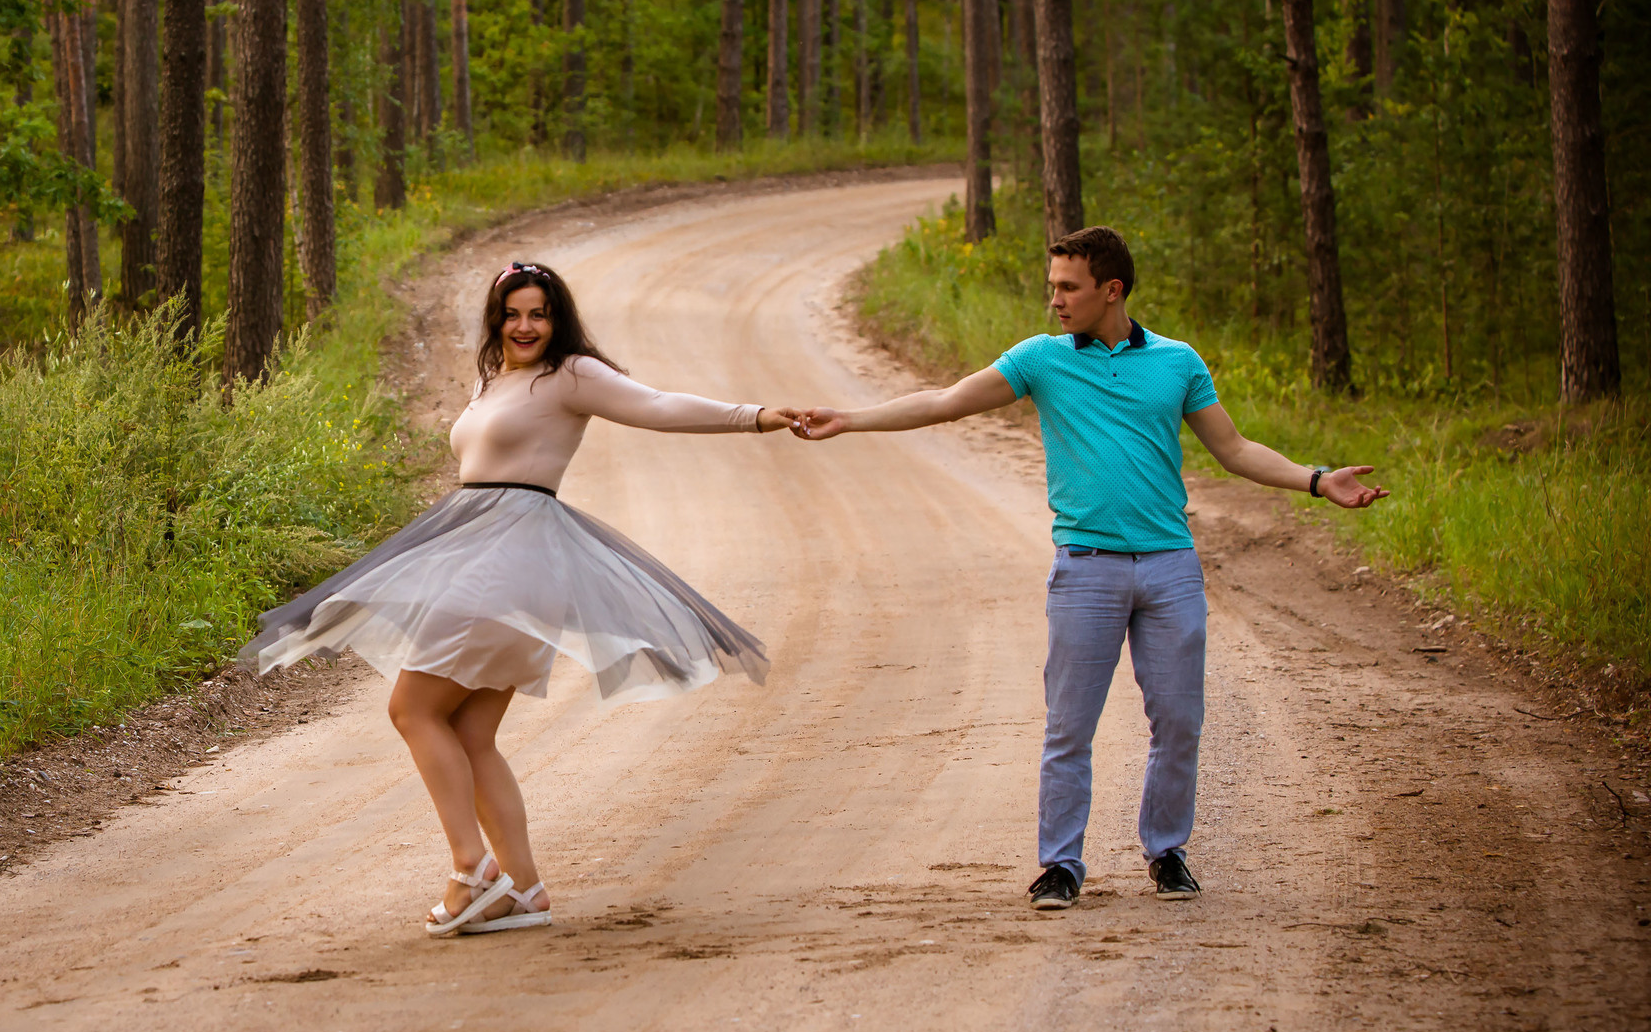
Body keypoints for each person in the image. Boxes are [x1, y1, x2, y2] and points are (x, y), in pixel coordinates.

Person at [793, 225, 1389, 910]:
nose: (1055, 300)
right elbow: (944, 401)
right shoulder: (1040, 361)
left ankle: (1167, 853)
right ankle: (1060, 865)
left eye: (1068, 287)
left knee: (1179, 722)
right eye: (1052, 287)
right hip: (1088, 570)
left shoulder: (1177, 363)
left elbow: (1234, 449)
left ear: (1112, 290)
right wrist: (852, 419)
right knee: (1069, 725)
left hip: (1170, 568)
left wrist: (1317, 481)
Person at [240, 261, 798, 937]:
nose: (525, 326)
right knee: (472, 733)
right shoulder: (489, 379)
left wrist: (758, 417)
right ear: (496, 319)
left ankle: (471, 867)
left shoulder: (572, 375)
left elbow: (656, 405)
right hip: (476, 548)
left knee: (412, 707)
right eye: (513, 313)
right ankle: (525, 889)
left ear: (557, 320)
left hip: (512, 556)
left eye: (539, 313)